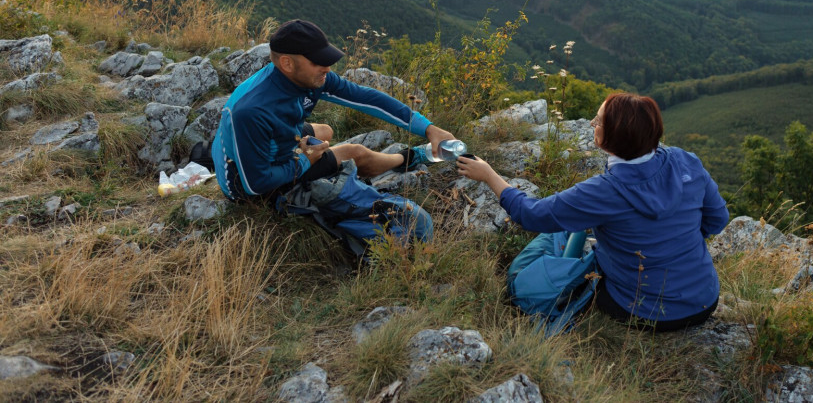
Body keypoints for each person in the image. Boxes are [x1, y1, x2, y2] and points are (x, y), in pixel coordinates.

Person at [456, 92, 729, 331]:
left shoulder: (603, 191)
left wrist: (489, 175)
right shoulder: (687, 162)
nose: (591, 124)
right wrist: (673, 243)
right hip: (705, 301)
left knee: (564, 231)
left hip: (639, 311)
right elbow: (718, 219)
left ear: (609, 138)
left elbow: (532, 215)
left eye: (597, 121)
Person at [212, 19, 455, 202]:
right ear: (287, 63)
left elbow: (367, 98)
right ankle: (410, 157)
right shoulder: (252, 111)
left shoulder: (304, 78)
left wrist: (428, 127)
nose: (327, 68)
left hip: (274, 140)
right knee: (354, 153)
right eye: (318, 61)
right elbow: (256, 184)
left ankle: (317, 158)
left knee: (325, 131)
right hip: (244, 186)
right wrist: (304, 162)